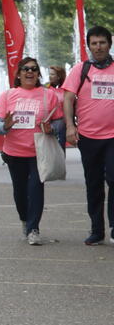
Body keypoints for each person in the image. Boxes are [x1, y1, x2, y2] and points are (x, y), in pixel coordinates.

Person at [0, 57, 63, 246]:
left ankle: (33, 229)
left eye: (34, 69)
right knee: (20, 192)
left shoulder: (49, 95)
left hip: (39, 153)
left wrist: (52, 128)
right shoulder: (7, 95)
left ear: (39, 74)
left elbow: (59, 120)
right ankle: (25, 219)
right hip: (14, 153)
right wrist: (4, 126)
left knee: (36, 189)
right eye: (25, 69)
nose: (29, 72)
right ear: (19, 74)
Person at [62, 25, 114, 245]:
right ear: (89, 45)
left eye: (102, 42)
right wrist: (70, 127)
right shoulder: (80, 70)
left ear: (109, 44)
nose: (98, 47)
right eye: (94, 43)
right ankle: (96, 229)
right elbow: (67, 98)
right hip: (89, 137)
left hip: (113, 137)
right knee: (93, 183)